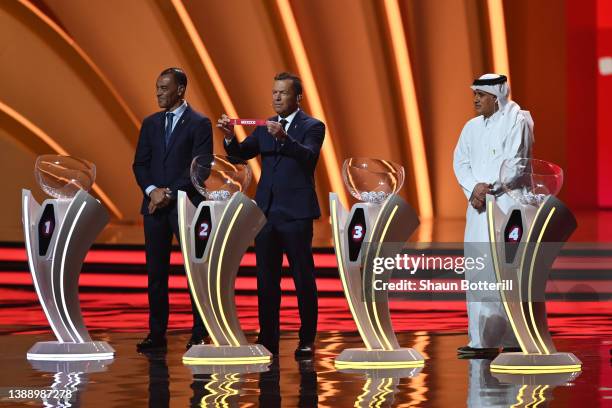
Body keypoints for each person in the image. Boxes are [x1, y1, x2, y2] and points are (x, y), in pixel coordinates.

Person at [217, 72, 324, 358]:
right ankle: (268, 339)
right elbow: (241, 154)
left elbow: (309, 156)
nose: (276, 97)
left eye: (283, 93)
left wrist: (286, 138)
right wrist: (229, 138)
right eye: (274, 92)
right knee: (266, 280)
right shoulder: (265, 126)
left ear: (297, 97)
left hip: (296, 214)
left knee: (303, 277)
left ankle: (306, 339)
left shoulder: (313, 126)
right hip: (265, 214)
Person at [453, 73, 534, 355]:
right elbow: (460, 162)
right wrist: (474, 188)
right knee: (479, 271)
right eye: (474, 94)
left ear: (496, 97)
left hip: (508, 206)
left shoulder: (518, 120)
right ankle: (482, 342)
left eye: (481, 95)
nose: (475, 99)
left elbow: (516, 164)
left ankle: (515, 339)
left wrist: (488, 188)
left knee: (510, 271)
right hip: (478, 208)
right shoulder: (471, 127)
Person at [133, 67, 212, 351]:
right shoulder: (150, 123)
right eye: (157, 88)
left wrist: (171, 193)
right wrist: (152, 191)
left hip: (185, 207)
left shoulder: (199, 123)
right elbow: (140, 164)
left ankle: (199, 332)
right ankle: (156, 334)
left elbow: (200, 166)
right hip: (154, 208)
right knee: (156, 274)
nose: (158, 93)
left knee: (194, 273)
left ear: (180, 89)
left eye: (164, 88)